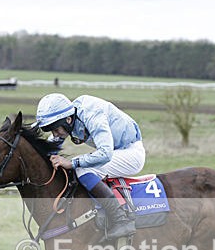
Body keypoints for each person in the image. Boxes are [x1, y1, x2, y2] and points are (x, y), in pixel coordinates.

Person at [34, 93, 144, 240]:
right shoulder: (69, 116)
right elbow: (52, 144)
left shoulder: (91, 114)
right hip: (117, 151)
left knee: (82, 168)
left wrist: (72, 163)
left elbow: (105, 153)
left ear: (68, 119)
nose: (55, 134)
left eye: (56, 128)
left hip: (131, 154)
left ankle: (121, 220)